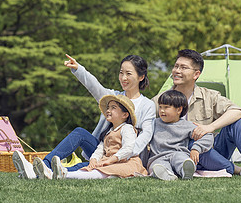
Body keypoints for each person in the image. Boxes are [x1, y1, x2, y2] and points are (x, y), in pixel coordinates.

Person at [12, 53, 156, 179]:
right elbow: (95, 87)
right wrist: (79, 69)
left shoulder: (147, 105)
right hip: (103, 149)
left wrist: (119, 157)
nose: (123, 77)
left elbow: (146, 135)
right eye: (121, 73)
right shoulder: (114, 97)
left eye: (128, 74)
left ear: (141, 77)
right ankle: (43, 166)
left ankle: (48, 173)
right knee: (80, 133)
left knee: (84, 166)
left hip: (126, 158)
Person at [152, 49, 241, 177]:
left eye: (183, 67)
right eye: (176, 66)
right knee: (193, 141)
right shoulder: (160, 100)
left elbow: (237, 111)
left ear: (196, 74)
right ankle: (239, 170)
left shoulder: (209, 96)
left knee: (236, 123)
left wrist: (210, 127)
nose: (177, 71)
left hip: (210, 149)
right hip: (181, 155)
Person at [40, 94, 147, 179]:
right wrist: (94, 160)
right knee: (85, 164)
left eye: (113, 108)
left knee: (83, 167)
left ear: (125, 115)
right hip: (106, 160)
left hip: (121, 162)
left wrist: (109, 161)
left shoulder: (127, 128)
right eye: (108, 108)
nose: (108, 110)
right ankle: (48, 170)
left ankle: (55, 172)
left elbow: (128, 148)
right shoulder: (109, 132)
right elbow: (100, 148)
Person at [148, 90, 213, 181]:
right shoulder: (153, 123)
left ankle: (186, 171)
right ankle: (167, 175)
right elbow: (142, 133)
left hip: (178, 153)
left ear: (179, 110)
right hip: (158, 156)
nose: (162, 111)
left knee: (181, 159)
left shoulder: (187, 125)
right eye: (160, 107)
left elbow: (207, 135)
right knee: (157, 165)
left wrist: (196, 148)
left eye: (166, 107)